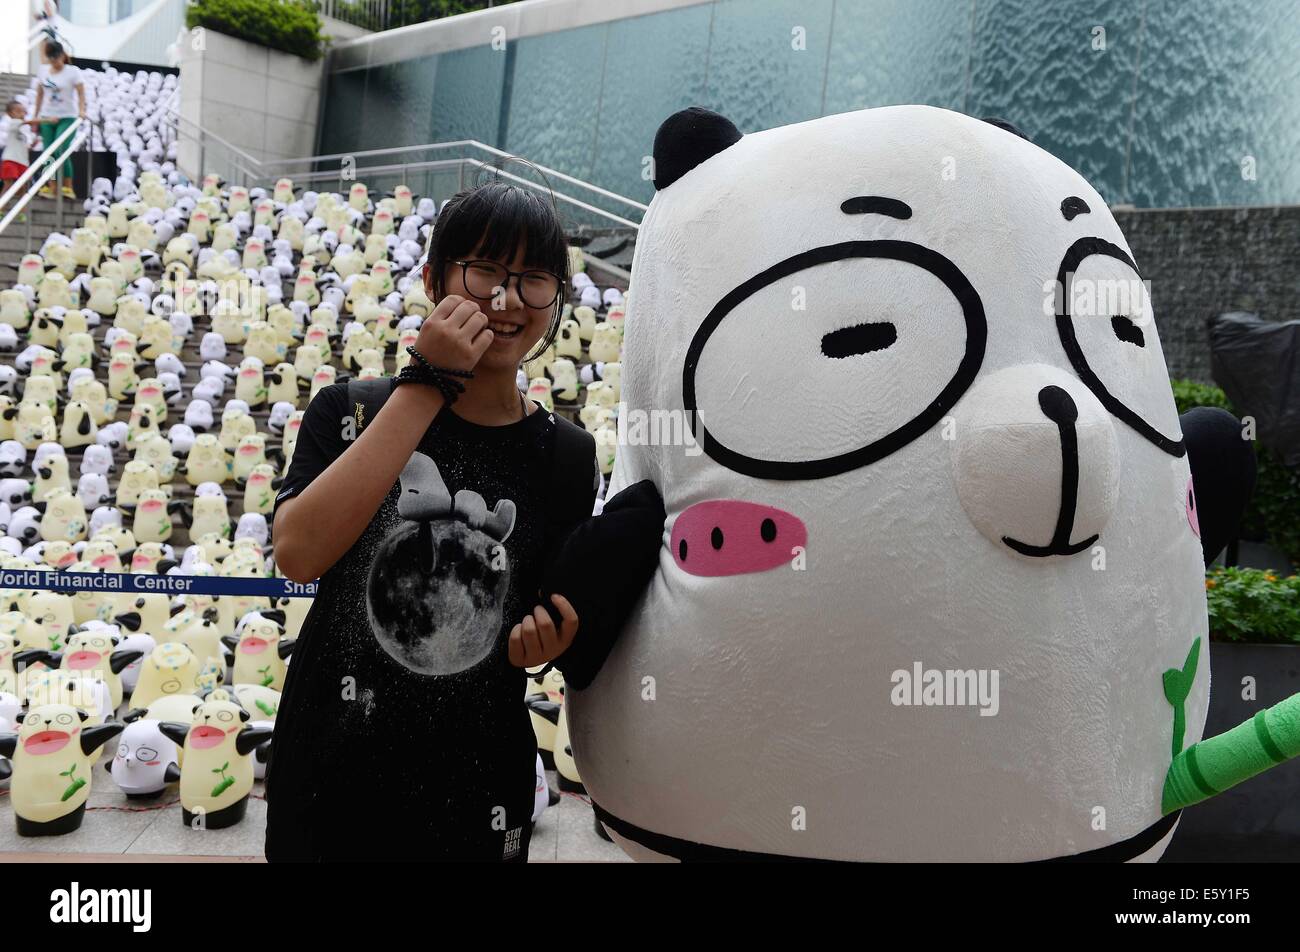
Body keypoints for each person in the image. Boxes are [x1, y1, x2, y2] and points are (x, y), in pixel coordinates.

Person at [265, 179, 598, 862]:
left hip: (478, 785)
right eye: (483, 272)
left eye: (533, 279)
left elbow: (543, 609)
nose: (506, 301)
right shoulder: (349, 411)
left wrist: (548, 638)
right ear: (432, 277)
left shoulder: (568, 454)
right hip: (331, 774)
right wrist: (429, 380)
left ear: (556, 299)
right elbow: (298, 553)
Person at [29, 39, 83, 200]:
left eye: (57, 59)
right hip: (46, 117)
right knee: (48, 153)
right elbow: (40, 94)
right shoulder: (43, 70)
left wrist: (82, 110)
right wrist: (36, 116)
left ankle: (67, 186)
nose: (55, 62)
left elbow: (81, 92)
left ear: (62, 55)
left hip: (67, 116)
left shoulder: (73, 71)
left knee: (60, 149)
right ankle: (51, 186)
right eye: (51, 59)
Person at [1, 101, 31, 221]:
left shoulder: (25, 129)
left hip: (23, 162)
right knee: (8, 186)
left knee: (22, 189)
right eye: (18, 111)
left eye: (23, 111)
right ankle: (1, 209)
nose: (22, 113)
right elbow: (29, 122)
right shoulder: (14, 123)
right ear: (10, 114)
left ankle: (22, 213)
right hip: (11, 160)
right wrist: (46, 121)